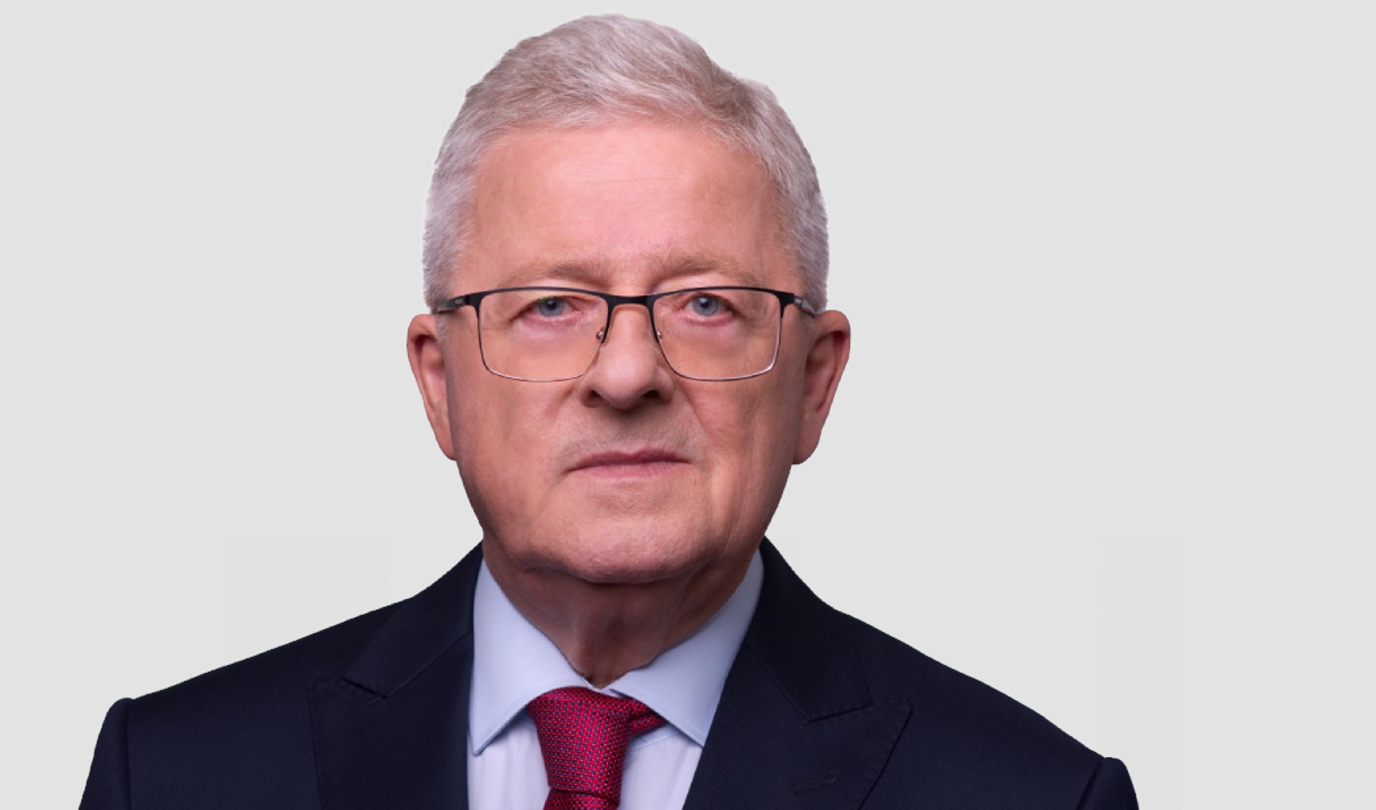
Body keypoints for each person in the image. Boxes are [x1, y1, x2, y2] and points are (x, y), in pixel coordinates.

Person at [78, 15, 1136, 810]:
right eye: (550, 306)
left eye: (706, 304)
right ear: (439, 383)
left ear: (814, 382)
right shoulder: (173, 777)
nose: (627, 375)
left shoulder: (1036, 798)